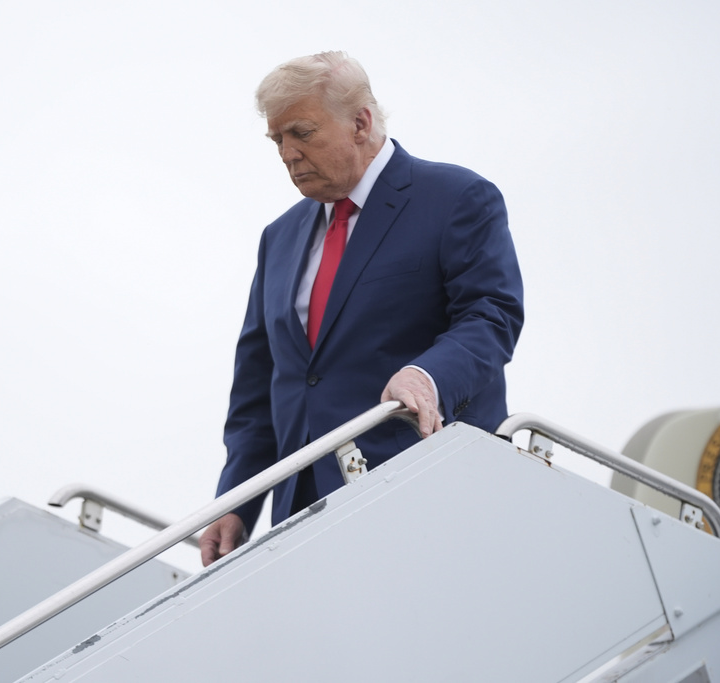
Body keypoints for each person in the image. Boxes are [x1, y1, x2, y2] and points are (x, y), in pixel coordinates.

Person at [200, 51, 524, 566]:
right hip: (301, 518)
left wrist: (426, 376)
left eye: (301, 133)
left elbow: (492, 316)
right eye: (277, 140)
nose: (287, 153)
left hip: (426, 491)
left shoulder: (457, 197)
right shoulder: (278, 238)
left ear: (360, 122)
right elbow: (262, 384)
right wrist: (236, 500)